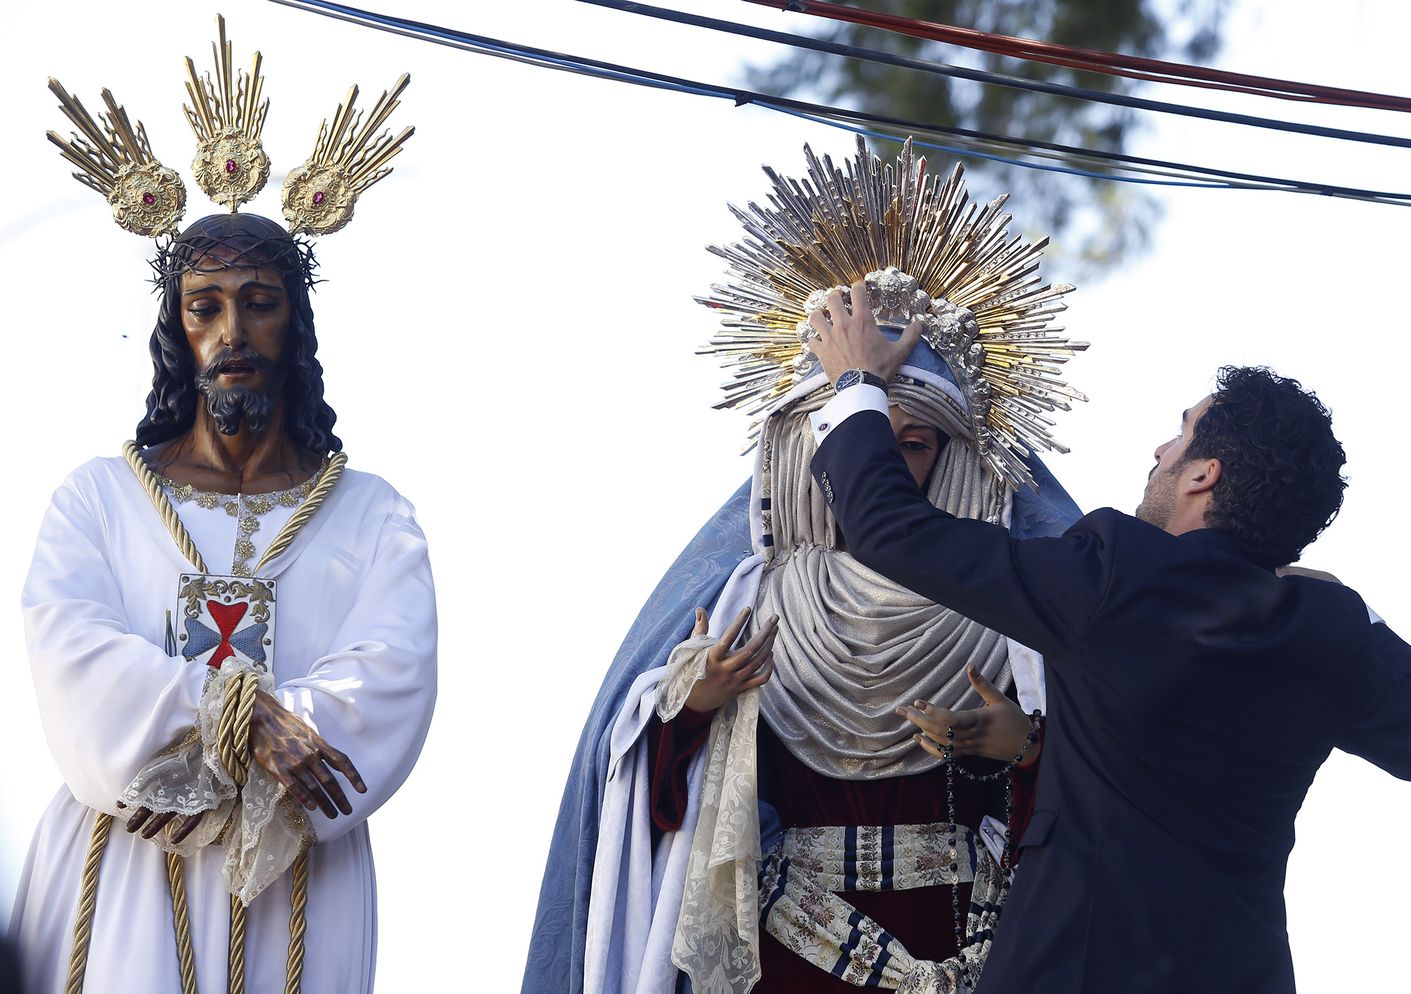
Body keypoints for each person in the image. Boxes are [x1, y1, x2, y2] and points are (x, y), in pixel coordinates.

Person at [524, 139, 1087, 994]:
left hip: (969, 942)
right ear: (804, 451)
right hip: (790, 950)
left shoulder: (1010, 603)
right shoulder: (752, 592)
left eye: (917, 445)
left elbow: (1108, 776)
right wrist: (695, 700)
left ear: (957, 456)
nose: (888, 470)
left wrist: (1028, 745)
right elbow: (640, 785)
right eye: (864, 441)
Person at [803, 289, 1411, 993]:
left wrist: (858, 385)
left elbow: (891, 531)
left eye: (1178, 436)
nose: (1159, 450)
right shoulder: (1328, 630)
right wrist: (1344, 605)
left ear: (1203, 475)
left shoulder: (1117, 575)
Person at [14, 29, 434, 994]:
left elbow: (392, 676)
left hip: (298, 872)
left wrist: (267, 734)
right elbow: (72, 656)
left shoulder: (373, 518)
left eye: (259, 302)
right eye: (204, 306)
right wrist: (238, 721)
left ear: (298, 321)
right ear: (176, 331)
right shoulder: (99, 498)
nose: (233, 332)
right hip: (123, 857)